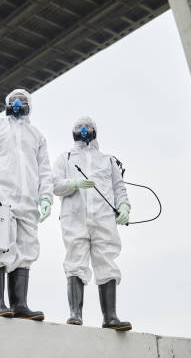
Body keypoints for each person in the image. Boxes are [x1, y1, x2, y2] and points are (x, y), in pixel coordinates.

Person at [0, 88, 53, 321]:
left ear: (29, 104)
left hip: (28, 200)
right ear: (7, 103)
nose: (18, 103)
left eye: (22, 100)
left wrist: (46, 196)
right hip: (1, 195)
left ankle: (20, 305)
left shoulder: (37, 135)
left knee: (26, 250)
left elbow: (44, 170)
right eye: (13, 100)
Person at [53, 116, 132, 330]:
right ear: (73, 131)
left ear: (95, 131)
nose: (84, 129)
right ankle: (75, 314)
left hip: (103, 219)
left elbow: (119, 188)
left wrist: (124, 207)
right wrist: (74, 183)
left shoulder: (108, 160)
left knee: (106, 263)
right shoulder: (65, 158)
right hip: (74, 218)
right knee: (75, 262)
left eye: (88, 127)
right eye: (79, 126)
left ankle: (110, 317)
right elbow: (55, 185)